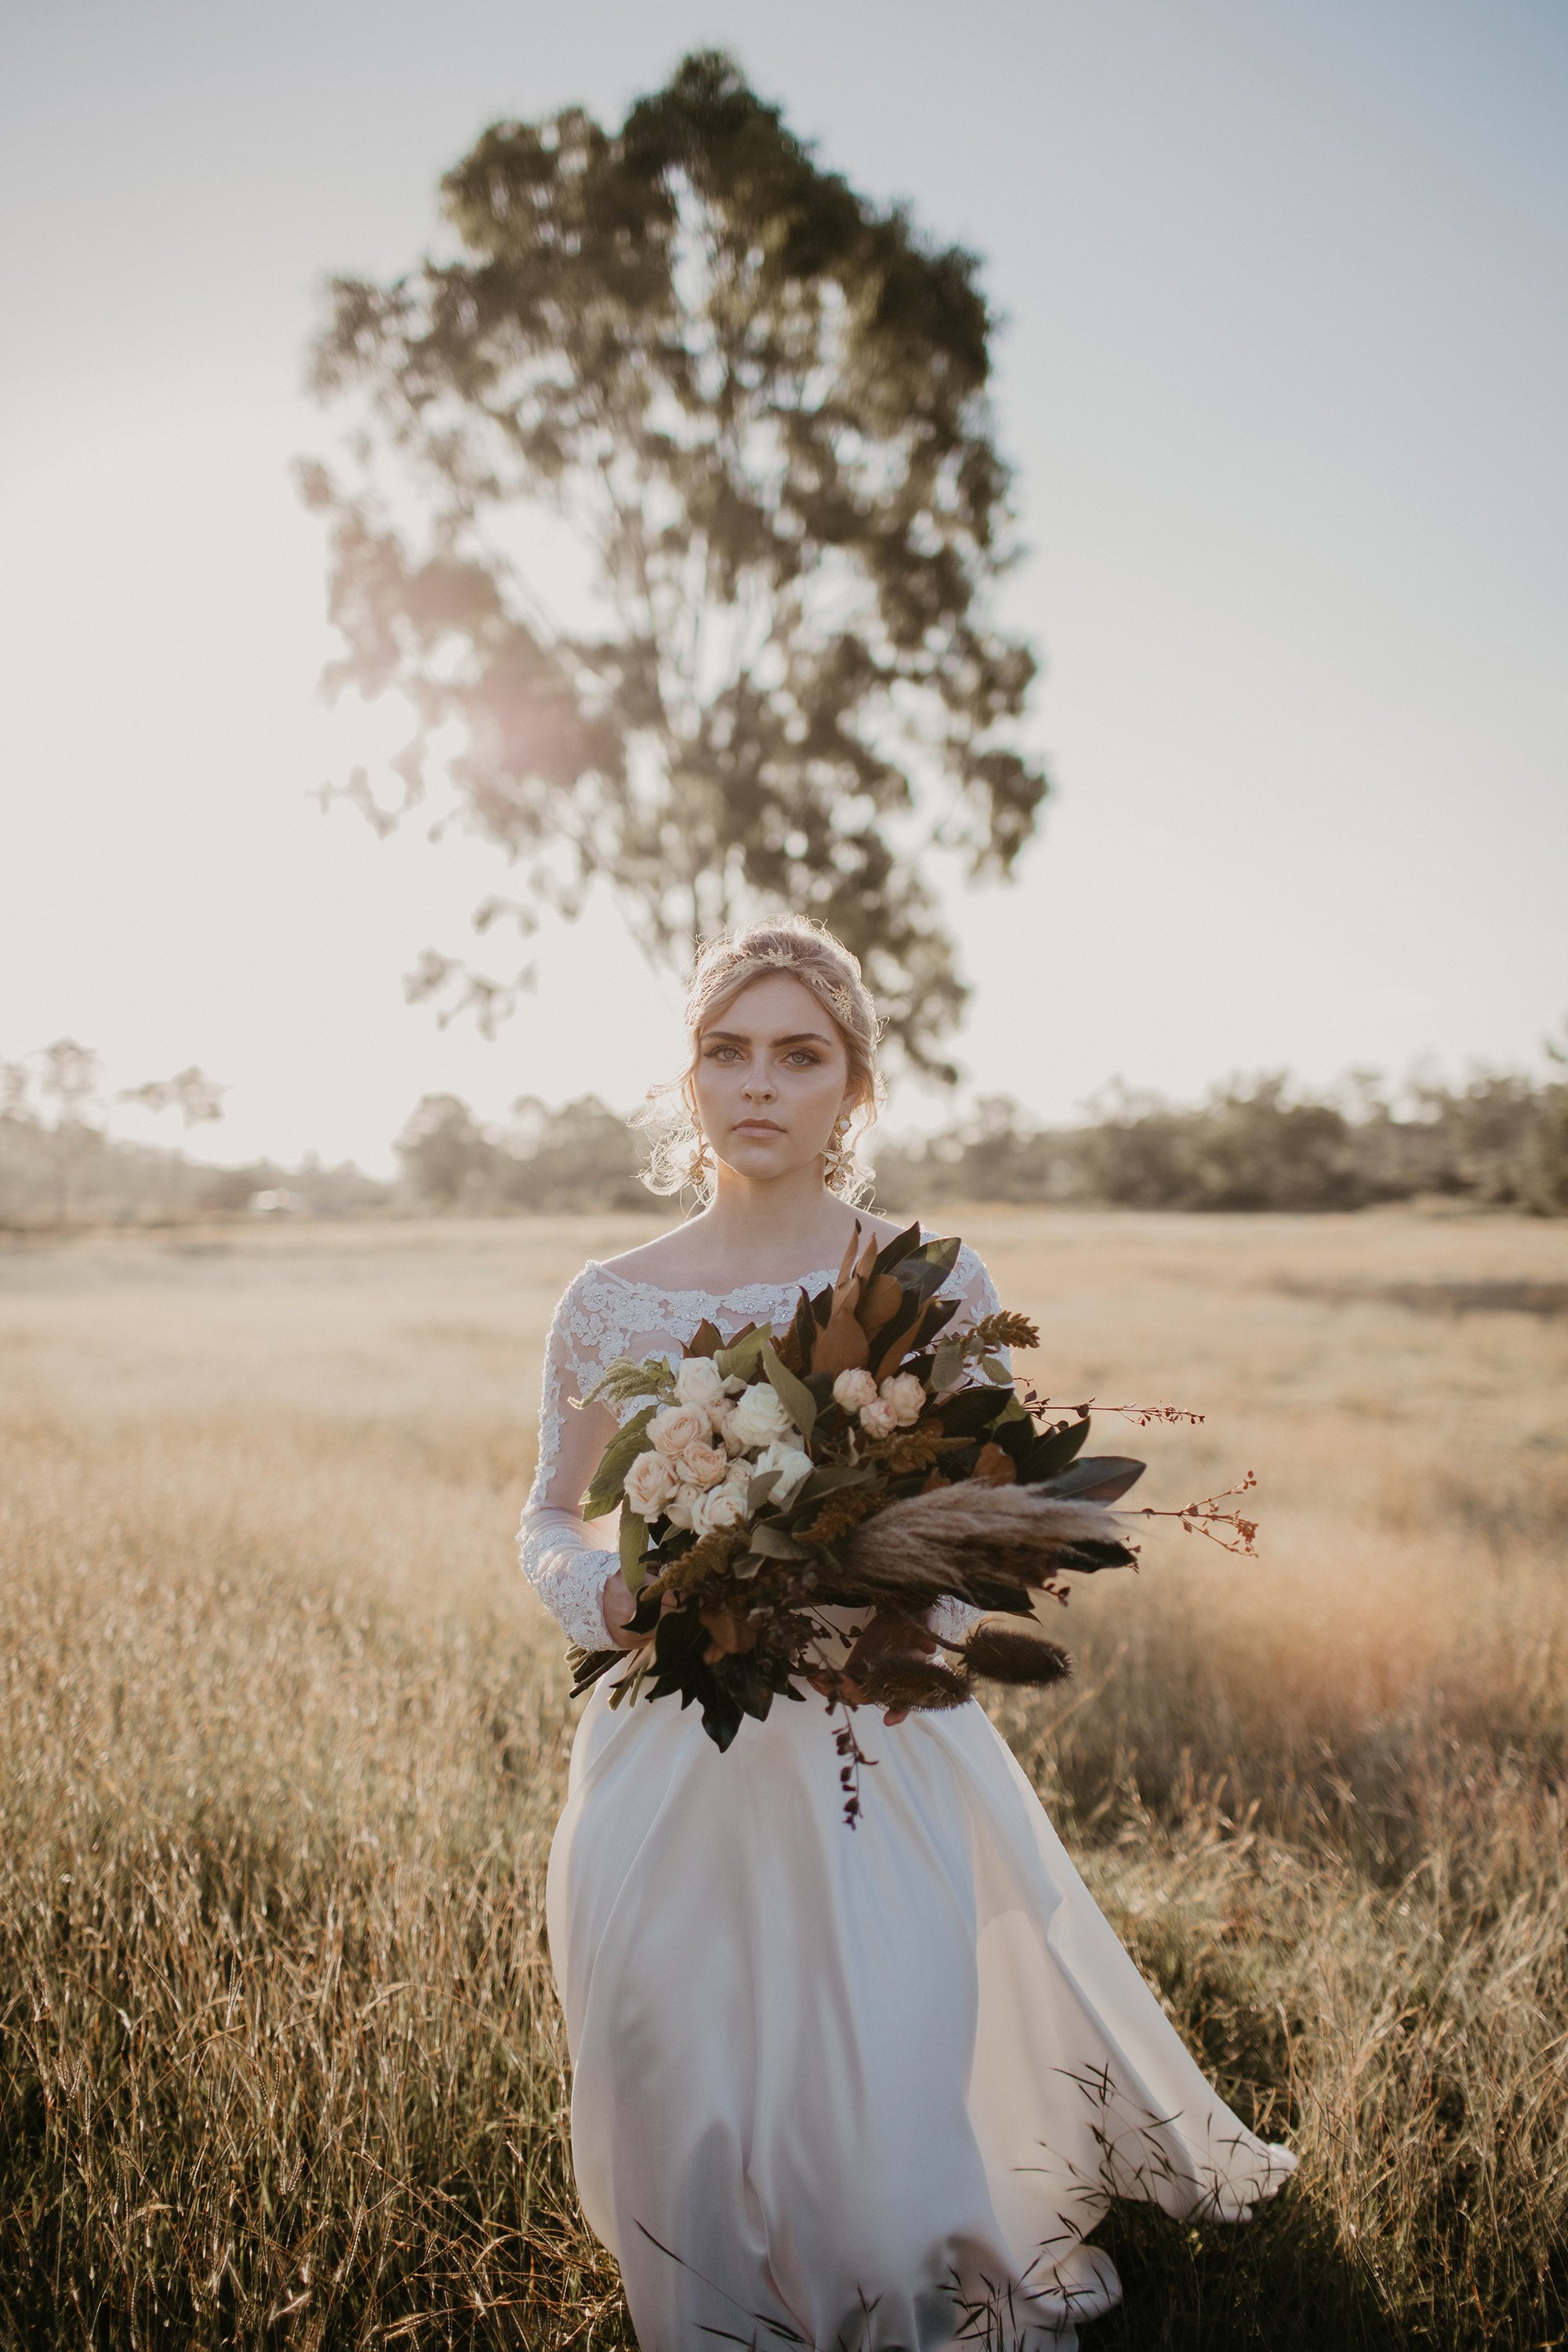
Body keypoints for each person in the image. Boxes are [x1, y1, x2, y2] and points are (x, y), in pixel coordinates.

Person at [517, 918, 1294, 2351]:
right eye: (726, 1052)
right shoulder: (607, 1296)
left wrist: (884, 1611)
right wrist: (607, 1596)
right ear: (688, 1082)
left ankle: (898, 2282)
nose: (759, 1084)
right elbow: (551, 1515)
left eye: (798, 1056)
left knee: (877, 2092)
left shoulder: (932, 1279)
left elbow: (984, 1516)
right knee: (667, 2059)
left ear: (853, 1090)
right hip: (669, 1730)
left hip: (872, 1730)